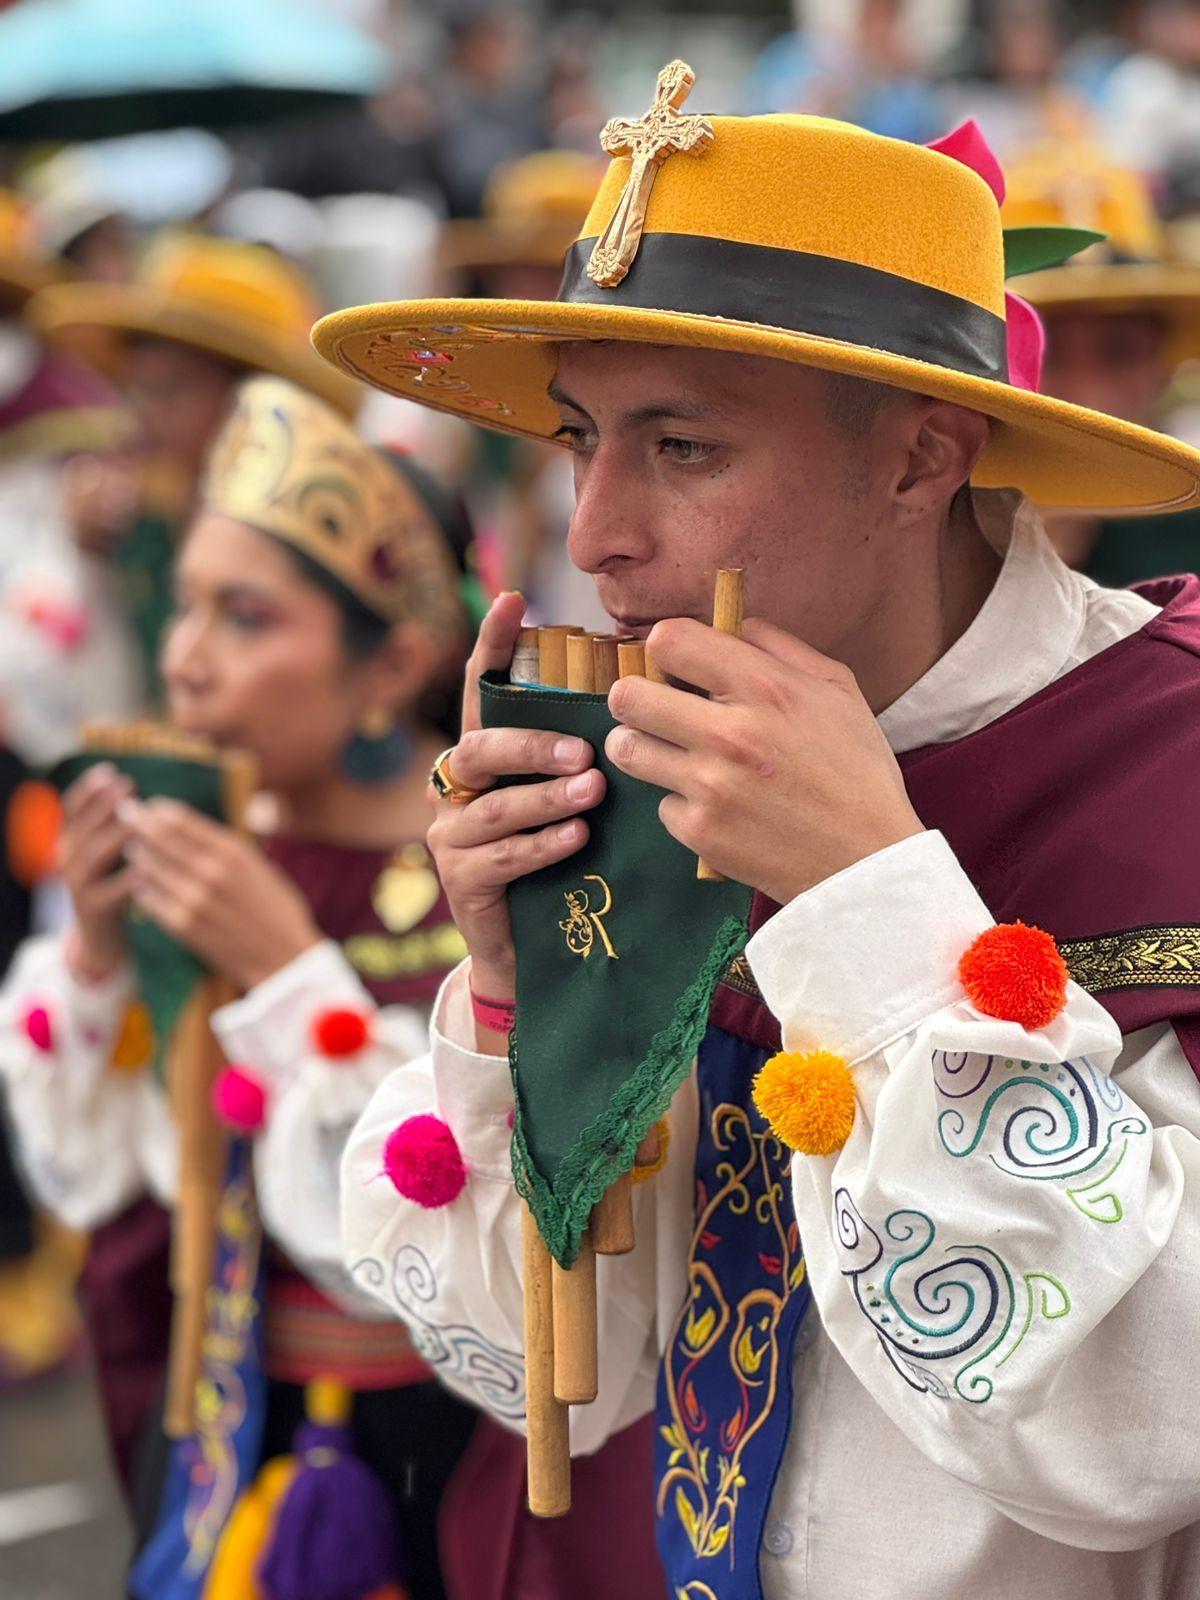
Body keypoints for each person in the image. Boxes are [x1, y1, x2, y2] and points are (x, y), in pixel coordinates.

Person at [317, 68, 1200, 1599]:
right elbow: (566, 1388)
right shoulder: (639, 746)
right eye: (581, 438)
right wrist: (527, 1001)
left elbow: (1141, 1435)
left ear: (922, 461)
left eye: (682, 447)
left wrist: (872, 901)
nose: (594, 535)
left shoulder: (1167, 759)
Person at [0, 375, 479, 1598]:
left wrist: (286, 975)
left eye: (247, 617)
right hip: (235, 1422)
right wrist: (102, 962)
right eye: (187, 605)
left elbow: (473, 1204)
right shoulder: (198, 832)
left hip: (472, 1441)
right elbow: (95, 1179)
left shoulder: (497, 851)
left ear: (395, 663)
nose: (184, 659)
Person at [26, 232, 360, 695]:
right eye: (135, 390)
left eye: (171, 391)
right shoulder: (132, 523)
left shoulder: (319, 540)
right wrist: (88, 558)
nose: (140, 418)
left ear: (252, 405)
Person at [1002, 134, 1200, 581]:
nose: (1086, 395)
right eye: (1045, 355)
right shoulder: (925, 526)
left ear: (1165, 365)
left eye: (1119, 355)